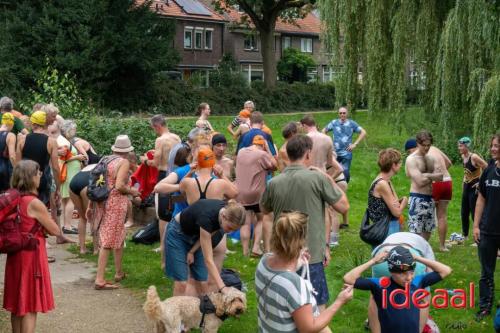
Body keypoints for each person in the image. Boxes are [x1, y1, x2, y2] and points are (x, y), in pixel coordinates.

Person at [260, 135, 349, 309]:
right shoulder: (318, 178)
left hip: (282, 253)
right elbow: (344, 207)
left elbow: (264, 210)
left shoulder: (274, 183)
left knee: (284, 306)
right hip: (311, 255)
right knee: (315, 306)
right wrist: (328, 177)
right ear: (308, 154)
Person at [255, 211, 353, 333]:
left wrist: (297, 262)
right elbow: (308, 328)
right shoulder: (295, 285)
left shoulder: (263, 262)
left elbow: (280, 276)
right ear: (301, 241)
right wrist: (340, 301)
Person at [3, 160, 61, 333]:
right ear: (31, 178)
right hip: (31, 256)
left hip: (15, 254)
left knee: (16, 304)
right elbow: (55, 230)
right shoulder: (34, 203)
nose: (40, 176)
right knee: (30, 304)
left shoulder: (13, 198)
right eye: (38, 173)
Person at [344, 245, 452, 333]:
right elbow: (348, 278)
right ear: (392, 272)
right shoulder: (380, 285)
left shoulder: (417, 282)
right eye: (403, 274)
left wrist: (418, 258)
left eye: (411, 272)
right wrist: (373, 261)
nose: (409, 278)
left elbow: (446, 270)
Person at [165, 199, 245, 296]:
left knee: (202, 282)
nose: (230, 232)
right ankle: (174, 310)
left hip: (195, 235)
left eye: (234, 230)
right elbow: (208, 260)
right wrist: (223, 287)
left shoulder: (224, 213)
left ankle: (201, 309)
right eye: (230, 228)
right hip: (177, 233)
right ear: (224, 217)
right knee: (181, 282)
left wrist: (191, 251)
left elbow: (210, 233)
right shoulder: (207, 218)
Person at [93, 135, 141, 290]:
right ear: (128, 151)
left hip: (103, 200)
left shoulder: (105, 159)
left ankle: (119, 272)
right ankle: (100, 279)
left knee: (119, 235)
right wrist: (133, 192)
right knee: (108, 240)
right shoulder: (123, 162)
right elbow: (120, 185)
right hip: (115, 202)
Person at [367, 232, 436, 332]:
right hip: (411, 260)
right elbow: (431, 273)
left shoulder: (391, 237)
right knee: (423, 295)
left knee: (376, 297)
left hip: (383, 258)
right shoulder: (426, 246)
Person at [301, 115, 345, 245]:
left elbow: (302, 160)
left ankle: (309, 239)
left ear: (304, 125)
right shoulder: (327, 138)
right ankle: (327, 242)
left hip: (307, 175)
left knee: (306, 210)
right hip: (322, 175)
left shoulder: (304, 139)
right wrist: (329, 178)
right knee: (326, 210)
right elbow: (331, 162)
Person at [141, 115, 181, 260]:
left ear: (157, 126)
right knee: (174, 208)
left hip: (164, 175)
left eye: (153, 128)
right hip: (176, 174)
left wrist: (145, 160)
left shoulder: (160, 140)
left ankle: (163, 245)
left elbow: (156, 163)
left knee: (162, 214)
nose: (154, 131)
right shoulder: (176, 138)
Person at [236, 135, 277, 257]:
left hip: (241, 192)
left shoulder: (241, 151)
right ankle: (256, 248)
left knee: (245, 222)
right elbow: (275, 166)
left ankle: (245, 252)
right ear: (263, 145)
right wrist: (268, 151)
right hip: (257, 193)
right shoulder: (261, 154)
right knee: (261, 219)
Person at [473, 134, 500, 321]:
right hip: (487, 230)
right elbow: (481, 198)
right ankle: (485, 306)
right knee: (486, 272)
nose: (492, 149)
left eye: (497, 146)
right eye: (492, 145)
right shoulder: (489, 170)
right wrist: (476, 226)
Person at [16, 111, 61, 207]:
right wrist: (58, 187)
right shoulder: (51, 142)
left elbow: (17, 165)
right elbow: (56, 168)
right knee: (40, 210)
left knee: (26, 209)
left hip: (25, 180)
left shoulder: (22, 140)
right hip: (42, 180)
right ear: (44, 124)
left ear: (33, 124)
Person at [405, 130, 443, 241]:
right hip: (417, 198)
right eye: (423, 145)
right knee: (415, 232)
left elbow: (440, 176)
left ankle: (423, 254)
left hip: (430, 198)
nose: (426, 148)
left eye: (428, 145)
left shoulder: (431, 158)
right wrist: (432, 176)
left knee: (428, 230)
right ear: (417, 143)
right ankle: (414, 255)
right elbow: (419, 182)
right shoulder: (411, 159)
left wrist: (426, 175)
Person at [367, 149, 408, 241]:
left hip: (385, 225)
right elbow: (397, 212)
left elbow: (396, 203)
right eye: (399, 163)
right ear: (393, 165)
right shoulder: (382, 184)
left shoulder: (386, 180)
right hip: (385, 228)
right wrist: (404, 202)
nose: (401, 165)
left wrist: (398, 205)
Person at [322, 107, 366, 183]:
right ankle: (333, 186)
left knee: (345, 174)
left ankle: (343, 189)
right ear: (338, 114)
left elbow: (363, 132)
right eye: (340, 113)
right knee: (333, 172)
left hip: (346, 154)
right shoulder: (334, 123)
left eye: (344, 113)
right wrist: (329, 142)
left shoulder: (352, 123)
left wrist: (355, 144)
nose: (342, 114)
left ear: (347, 113)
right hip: (334, 153)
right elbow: (323, 131)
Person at [458, 136, 488, 240]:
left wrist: (481, 182)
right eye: (459, 145)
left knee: (475, 213)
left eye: (461, 146)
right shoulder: (463, 157)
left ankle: (478, 237)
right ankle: (465, 235)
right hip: (466, 187)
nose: (459, 148)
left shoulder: (474, 157)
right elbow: (466, 171)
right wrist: (463, 182)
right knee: (464, 212)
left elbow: (487, 167)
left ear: (467, 146)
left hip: (474, 189)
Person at [60, 120, 86, 234]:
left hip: (69, 172)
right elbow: (62, 158)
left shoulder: (63, 140)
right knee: (70, 200)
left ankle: (67, 225)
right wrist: (78, 157)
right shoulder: (63, 141)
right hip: (69, 173)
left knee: (66, 200)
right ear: (68, 130)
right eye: (74, 129)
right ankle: (68, 226)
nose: (75, 132)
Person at [428, 143, 453, 251]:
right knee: (442, 215)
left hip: (435, 182)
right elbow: (449, 162)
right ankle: (442, 246)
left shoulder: (421, 152)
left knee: (427, 214)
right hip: (447, 180)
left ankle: (423, 244)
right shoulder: (435, 148)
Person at [69, 164, 97, 254]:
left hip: (74, 182)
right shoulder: (107, 166)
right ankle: (96, 249)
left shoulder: (92, 165)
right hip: (87, 183)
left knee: (82, 217)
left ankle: (82, 249)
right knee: (93, 217)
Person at [0, 112, 17, 191]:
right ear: (11, 124)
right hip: (4, 168)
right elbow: (12, 156)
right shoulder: (10, 135)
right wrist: (17, 169)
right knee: (5, 196)